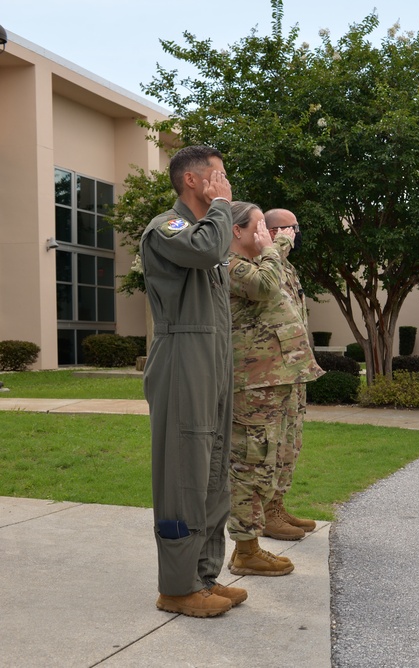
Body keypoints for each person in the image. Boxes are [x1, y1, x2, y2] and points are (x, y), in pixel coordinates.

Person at [140, 145, 246, 618]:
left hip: (213, 358)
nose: (224, 185)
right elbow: (204, 252)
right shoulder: (170, 227)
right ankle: (177, 588)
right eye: (218, 177)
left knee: (213, 469)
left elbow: (214, 250)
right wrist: (223, 207)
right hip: (183, 356)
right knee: (185, 470)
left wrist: (219, 213)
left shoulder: (210, 231)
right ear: (192, 181)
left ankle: (203, 577)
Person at [225, 202, 322, 572]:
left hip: (279, 376)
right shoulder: (230, 265)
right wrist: (273, 247)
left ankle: (262, 526)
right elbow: (264, 287)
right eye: (260, 229)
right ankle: (246, 550)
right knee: (250, 463)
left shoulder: (265, 263)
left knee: (270, 457)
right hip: (254, 382)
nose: (274, 237)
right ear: (238, 231)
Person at [262, 208, 321, 539]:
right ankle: (265, 514)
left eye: (296, 227)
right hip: (273, 370)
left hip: (294, 366)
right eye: (289, 227)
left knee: (291, 441)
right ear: (272, 232)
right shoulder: (261, 263)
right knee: (271, 443)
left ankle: (278, 505)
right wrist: (277, 247)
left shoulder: (287, 267)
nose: (295, 233)